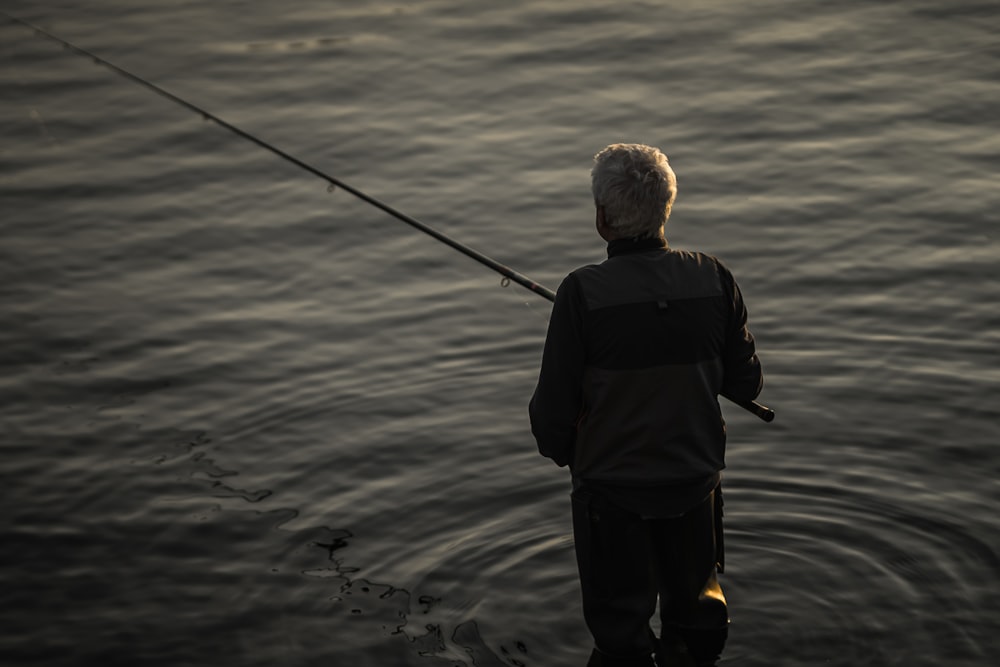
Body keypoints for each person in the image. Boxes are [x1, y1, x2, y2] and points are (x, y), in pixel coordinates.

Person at [529, 144, 763, 667]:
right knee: (699, 623)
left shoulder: (581, 293)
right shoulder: (714, 277)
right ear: (667, 208)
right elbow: (748, 385)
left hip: (611, 492)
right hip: (693, 479)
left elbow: (551, 417)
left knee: (621, 640)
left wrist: (575, 456)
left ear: (602, 218)